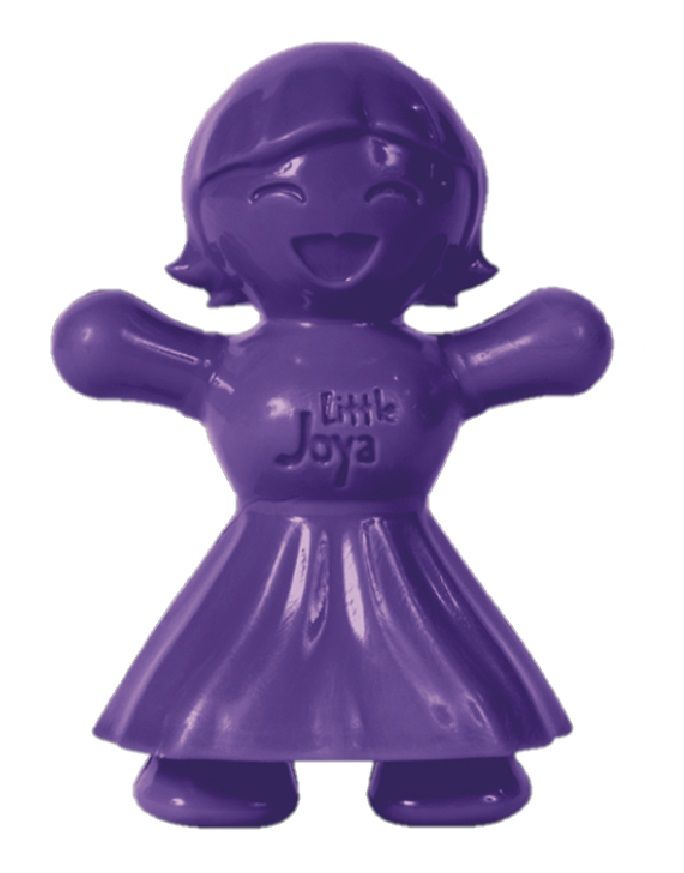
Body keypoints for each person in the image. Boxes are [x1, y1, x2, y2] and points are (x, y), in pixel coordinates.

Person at [52, 43, 612, 827]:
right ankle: (216, 763)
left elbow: (551, 345)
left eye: (392, 193)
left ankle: (450, 762)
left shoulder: (427, 366)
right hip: (269, 551)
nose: (340, 218)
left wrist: (548, 341)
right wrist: (117, 344)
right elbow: (108, 346)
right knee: (238, 657)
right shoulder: (234, 367)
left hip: (395, 548)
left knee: (428, 657)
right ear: (213, 219)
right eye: (281, 193)